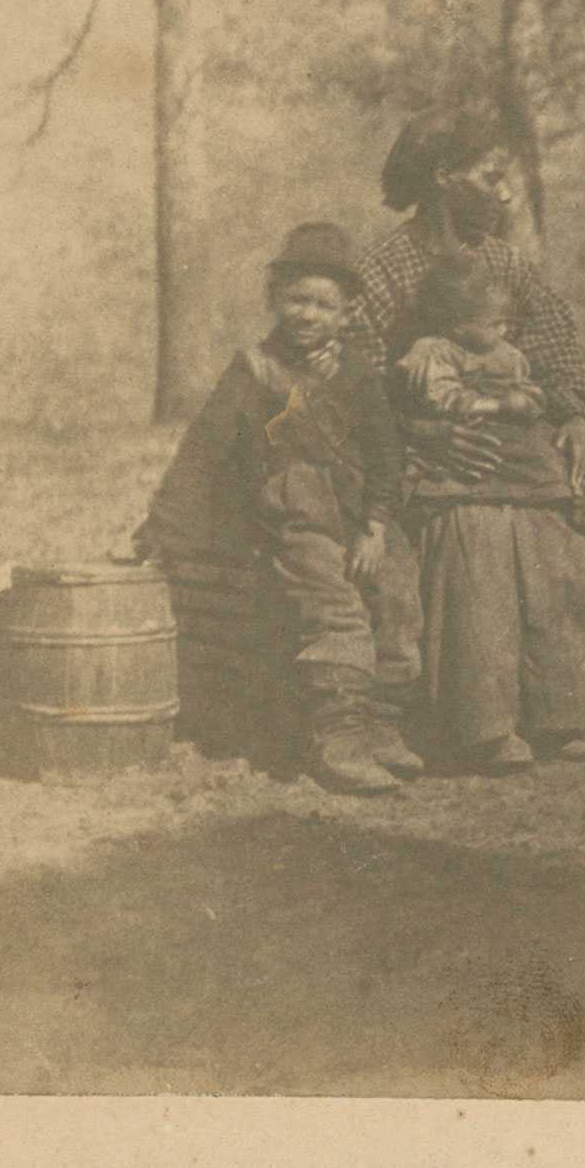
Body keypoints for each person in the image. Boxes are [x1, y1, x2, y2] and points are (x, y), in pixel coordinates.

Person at [347, 119, 585, 769]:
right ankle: (482, 722)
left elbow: (552, 345)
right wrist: (423, 434)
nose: (505, 196)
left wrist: (576, 417)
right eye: (492, 179)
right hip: (423, 457)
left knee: (550, 534)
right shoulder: (386, 269)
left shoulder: (504, 262)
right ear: (443, 178)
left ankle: (563, 709)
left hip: (508, 448)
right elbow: (352, 384)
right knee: (475, 535)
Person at [135, 223, 417, 795]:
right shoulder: (255, 370)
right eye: (297, 299)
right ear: (274, 299)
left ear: (347, 313)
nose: (308, 314)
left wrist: (378, 527)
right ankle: (339, 737)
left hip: (358, 516)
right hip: (290, 519)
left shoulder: (359, 375)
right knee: (333, 603)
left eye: (323, 304)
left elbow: (388, 455)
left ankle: (382, 720)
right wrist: (161, 527)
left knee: (397, 589)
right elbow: (206, 450)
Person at [394, 254, 569, 503]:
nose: (504, 331)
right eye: (495, 324)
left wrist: (524, 402)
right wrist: (492, 405)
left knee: (548, 450)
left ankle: (581, 503)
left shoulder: (507, 354)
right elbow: (438, 394)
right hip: (458, 429)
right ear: (458, 325)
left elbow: (528, 388)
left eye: (505, 324)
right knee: (438, 471)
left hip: (504, 428)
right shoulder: (436, 350)